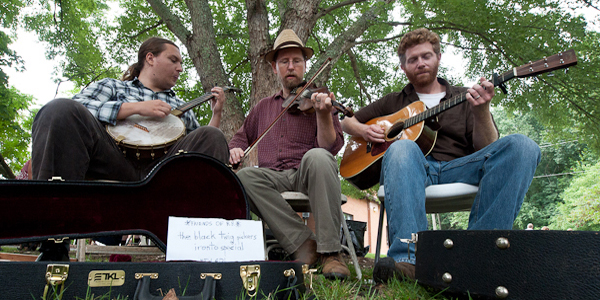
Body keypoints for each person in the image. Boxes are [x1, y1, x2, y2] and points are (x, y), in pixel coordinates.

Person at [341, 28, 541, 282]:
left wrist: (482, 111)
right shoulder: (393, 102)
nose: (420, 63)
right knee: (401, 147)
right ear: (404, 67)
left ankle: (480, 255)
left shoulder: (464, 96)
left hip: (460, 167)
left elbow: (487, 148)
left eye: (426, 56)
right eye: (412, 59)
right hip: (410, 171)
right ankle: (409, 261)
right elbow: (347, 122)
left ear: (438, 58)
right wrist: (364, 130)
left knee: (523, 146)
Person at [228, 29, 350, 280]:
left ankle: (331, 253)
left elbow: (332, 147)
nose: (291, 66)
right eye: (284, 61)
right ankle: (304, 242)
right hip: (273, 176)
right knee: (245, 177)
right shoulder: (263, 107)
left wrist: (323, 114)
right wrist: (235, 149)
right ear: (275, 68)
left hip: (308, 173)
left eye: (297, 61)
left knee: (318, 156)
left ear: (305, 66)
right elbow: (240, 138)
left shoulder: (319, 98)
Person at [32, 37, 230, 181]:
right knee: (60, 108)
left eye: (181, 63)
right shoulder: (113, 86)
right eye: (173, 60)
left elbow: (205, 145)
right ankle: (51, 224)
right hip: (114, 160)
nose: (180, 68)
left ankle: (202, 231)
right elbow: (76, 109)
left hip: (164, 169)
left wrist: (217, 114)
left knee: (212, 135)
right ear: (150, 58)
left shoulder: (180, 106)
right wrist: (136, 108)